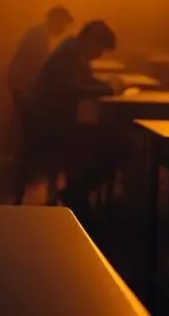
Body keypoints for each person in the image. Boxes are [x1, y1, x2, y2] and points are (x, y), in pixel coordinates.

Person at [26, 19, 122, 211]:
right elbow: (72, 88)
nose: (99, 55)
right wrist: (108, 89)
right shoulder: (68, 55)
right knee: (117, 143)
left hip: (54, 122)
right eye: (100, 48)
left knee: (112, 138)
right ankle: (77, 190)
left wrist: (107, 87)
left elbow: (84, 81)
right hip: (51, 126)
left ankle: (78, 188)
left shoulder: (72, 52)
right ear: (91, 40)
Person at [8, 6, 74, 204]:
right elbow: (38, 68)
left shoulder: (38, 34)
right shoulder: (38, 38)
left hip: (24, 88)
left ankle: (21, 187)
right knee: (31, 140)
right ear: (55, 20)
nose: (63, 30)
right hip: (26, 90)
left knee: (28, 139)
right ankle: (28, 187)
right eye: (63, 24)